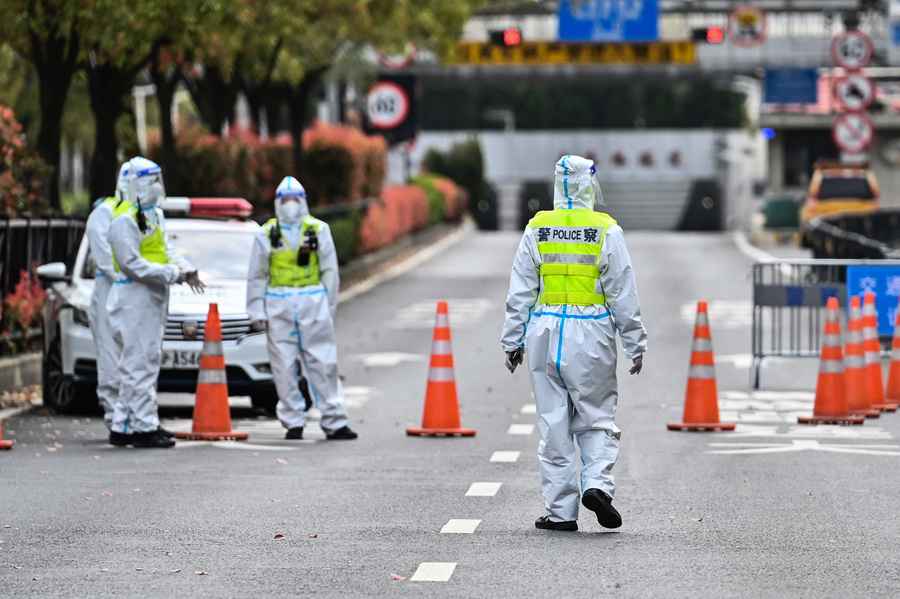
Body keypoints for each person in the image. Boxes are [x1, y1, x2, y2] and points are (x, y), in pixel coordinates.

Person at [500, 155, 647, 531]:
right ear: (588, 185)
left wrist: (512, 340)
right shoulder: (605, 230)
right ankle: (596, 483)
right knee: (596, 416)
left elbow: (521, 290)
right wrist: (635, 342)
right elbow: (622, 291)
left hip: (544, 332)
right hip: (592, 332)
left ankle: (560, 512)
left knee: (553, 425)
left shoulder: (538, 227)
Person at [246, 176, 357, 441]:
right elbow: (257, 276)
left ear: (304, 201)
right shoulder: (266, 233)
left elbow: (330, 271)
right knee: (283, 366)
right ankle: (293, 421)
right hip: (278, 303)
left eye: (295, 199)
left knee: (323, 362)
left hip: (312, 301)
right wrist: (256, 311)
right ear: (276, 203)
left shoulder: (318, 230)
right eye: (285, 200)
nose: (290, 204)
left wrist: (328, 307)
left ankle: (335, 420)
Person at [107, 157, 204, 448]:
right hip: (134, 297)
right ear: (135, 183)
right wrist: (173, 274)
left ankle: (123, 425)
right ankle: (143, 427)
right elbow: (132, 264)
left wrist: (185, 269)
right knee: (139, 363)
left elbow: (165, 250)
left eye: (158, 180)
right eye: (151, 181)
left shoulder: (154, 216)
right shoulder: (123, 220)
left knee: (142, 361)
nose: (157, 187)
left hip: (152, 296)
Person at [85, 162, 133, 441]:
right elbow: (106, 260)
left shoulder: (141, 215)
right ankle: (116, 419)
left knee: (133, 358)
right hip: (110, 290)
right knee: (110, 357)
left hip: (132, 294)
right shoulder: (104, 214)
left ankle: (131, 418)